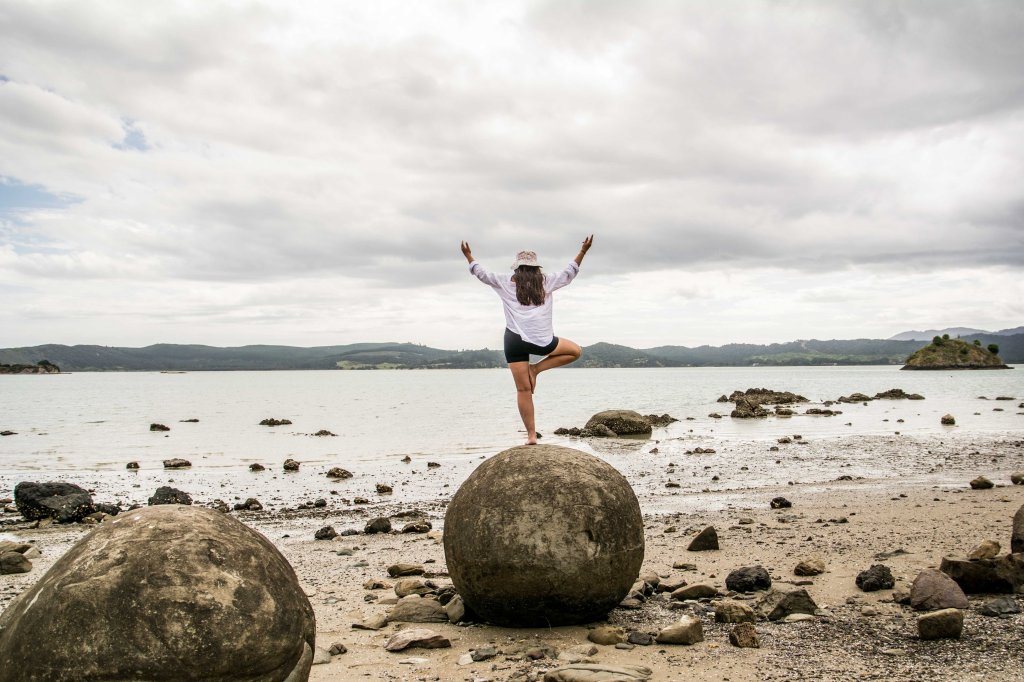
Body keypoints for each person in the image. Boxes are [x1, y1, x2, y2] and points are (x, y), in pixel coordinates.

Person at [461, 236, 593, 445]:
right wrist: (583, 251)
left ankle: (531, 435)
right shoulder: (546, 282)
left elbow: (482, 274)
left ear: (517, 268)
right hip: (542, 342)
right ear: (535, 268)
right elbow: (569, 273)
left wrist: (469, 257)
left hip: (514, 340)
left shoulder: (505, 282)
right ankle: (537, 369)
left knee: (523, 390)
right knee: (575, 351)